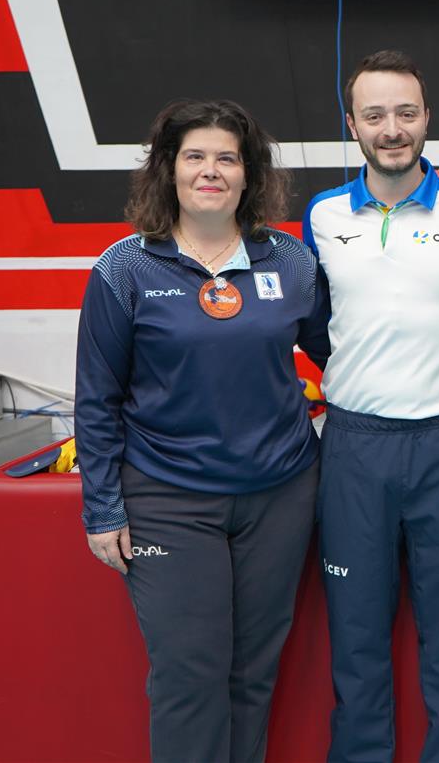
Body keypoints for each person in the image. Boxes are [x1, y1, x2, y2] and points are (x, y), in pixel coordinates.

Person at [75, 99, 329, 763]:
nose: (210, 170)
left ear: (249, 175)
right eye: (194, 156)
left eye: (227, 158)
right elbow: (97, 398)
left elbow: (343, 357)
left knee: (252, 672)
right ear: (169, 169)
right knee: (190, 676)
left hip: (280, 494)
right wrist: (103, 507)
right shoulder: (125, 268)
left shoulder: (291, 262)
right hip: (168, 499)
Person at [303, 50, 439, 763]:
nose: (393, 128)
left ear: (427, 119)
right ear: (352, 123)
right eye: (376, 114)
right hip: (354, 448)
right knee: (356, 641)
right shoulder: (322, 215)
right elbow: (318, 326)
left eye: (406, 113)